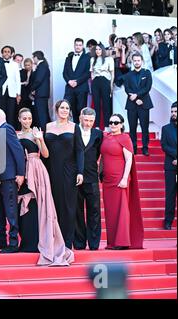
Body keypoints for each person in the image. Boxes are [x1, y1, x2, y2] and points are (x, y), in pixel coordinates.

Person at [17, 108, 74, 266]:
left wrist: (40, 139)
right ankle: (26, 241)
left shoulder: (37, 133)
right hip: (22, 171)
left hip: (37, 170)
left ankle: (37, 241)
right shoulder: (15, 135)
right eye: (24, 118)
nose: (27, 121)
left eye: (29, 118)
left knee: (37, 204)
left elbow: (46, 154)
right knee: (23, 204)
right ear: (19, 119)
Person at [44, 100, 84, 249]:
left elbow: (79, 151)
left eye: (67, 108)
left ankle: (67, 242)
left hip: (70, 170)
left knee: (69, 205)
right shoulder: (48, 126)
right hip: (51, 170)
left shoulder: (74, 127)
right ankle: (54, 240)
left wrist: (80, 171)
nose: (65, 110)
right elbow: (44, 151)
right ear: (56, 109)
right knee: (54, 204)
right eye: (62, 107)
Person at [100, 114, 144, 249]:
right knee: (111, 211)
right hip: (107, 181)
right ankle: (113, 241)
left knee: (122, 210)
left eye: (116, 122)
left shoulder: (125, 138)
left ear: (121, 124)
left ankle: (122, 242)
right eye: (111, 122)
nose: (113, 124)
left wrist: (125, 178)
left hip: (120, 179)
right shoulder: (106, 137)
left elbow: (129, 160)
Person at [0, 109, 25, 253]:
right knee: (0, 212)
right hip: (0, 178)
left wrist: (21, 173)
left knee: (10, 211)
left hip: (9, 177)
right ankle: (1, 240)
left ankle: (13, 243)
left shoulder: (6, 129)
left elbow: (18, 151)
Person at [74, 108, 103, 251]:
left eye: (91, 121)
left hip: (92, 177)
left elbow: (98, 153)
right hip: (75, 177)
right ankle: (79, 243)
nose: (88, 123)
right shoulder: (73, 130)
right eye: (86, 120)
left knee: (94, 211)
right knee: (77, 211)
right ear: (80, 118)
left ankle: (93, 243)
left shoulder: (98, 134)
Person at [123, 53, 153, 156]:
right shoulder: (128, 75)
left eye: (138, 60)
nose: (136, 62)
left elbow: (147, 88)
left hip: (144, 103)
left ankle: (145, 148)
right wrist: (135, 99)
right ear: (132, 62)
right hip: (132, 105)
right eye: (135, 60)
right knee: (132, 128)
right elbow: (127, 89)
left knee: (145, 127)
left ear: (142, 61)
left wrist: (137, 96)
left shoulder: (147, 73)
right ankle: (133, 148)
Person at [63, 38, 91, 124]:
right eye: (76, 45)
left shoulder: (87, 58)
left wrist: (77, 82)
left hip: (81, 88)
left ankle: (81, 128)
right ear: (74, 46)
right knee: (66, 108)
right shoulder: (69, 58)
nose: (78, 47)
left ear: (82, 46)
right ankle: (71, 127)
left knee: (81, 109)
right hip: (69, 88)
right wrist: (69, 81)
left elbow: (88, 73)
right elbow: (64, 73)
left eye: (80, 45)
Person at [90, 43, 114, 130]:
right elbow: (92, 73)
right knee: (96, 104)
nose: (98, 51)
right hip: (96, 82)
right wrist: (93, 82)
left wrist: (111, 86)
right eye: (96, 49)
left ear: (103, 50)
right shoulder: (93, 59)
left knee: (106, 105)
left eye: (99, 49)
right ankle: (96, 126)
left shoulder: (109, 59)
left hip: (105, 81)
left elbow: (112, 74)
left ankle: (107, 126)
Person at [160, 102, 177, 230]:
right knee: (170, 194)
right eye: (172, 111)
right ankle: (168, 221)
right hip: (171, 165)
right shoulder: (165, 128)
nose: (173, 114)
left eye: (175, 112)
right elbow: (164, 146)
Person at [0, 46, 22, 129]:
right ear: (2, 53)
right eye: (5, 51)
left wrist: (18, 94)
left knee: (11, 114)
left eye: (8, 51)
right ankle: (2, 135)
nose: (6, 53)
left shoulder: (15, 65)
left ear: (11, 54)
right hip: (1, 91)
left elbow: (18, 80)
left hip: (12, 92)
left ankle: (10, 134)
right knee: (1, 114)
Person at [30, 51, 51, 130]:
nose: (33, 59)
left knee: (41, 114)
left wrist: (32, 89)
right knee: (42, 113)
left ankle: (43, 131)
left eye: (33, 57)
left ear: (36, 57)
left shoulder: (42, 66)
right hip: (42, 94)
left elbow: (38, 80)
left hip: (41, 94)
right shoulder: (43, 65)